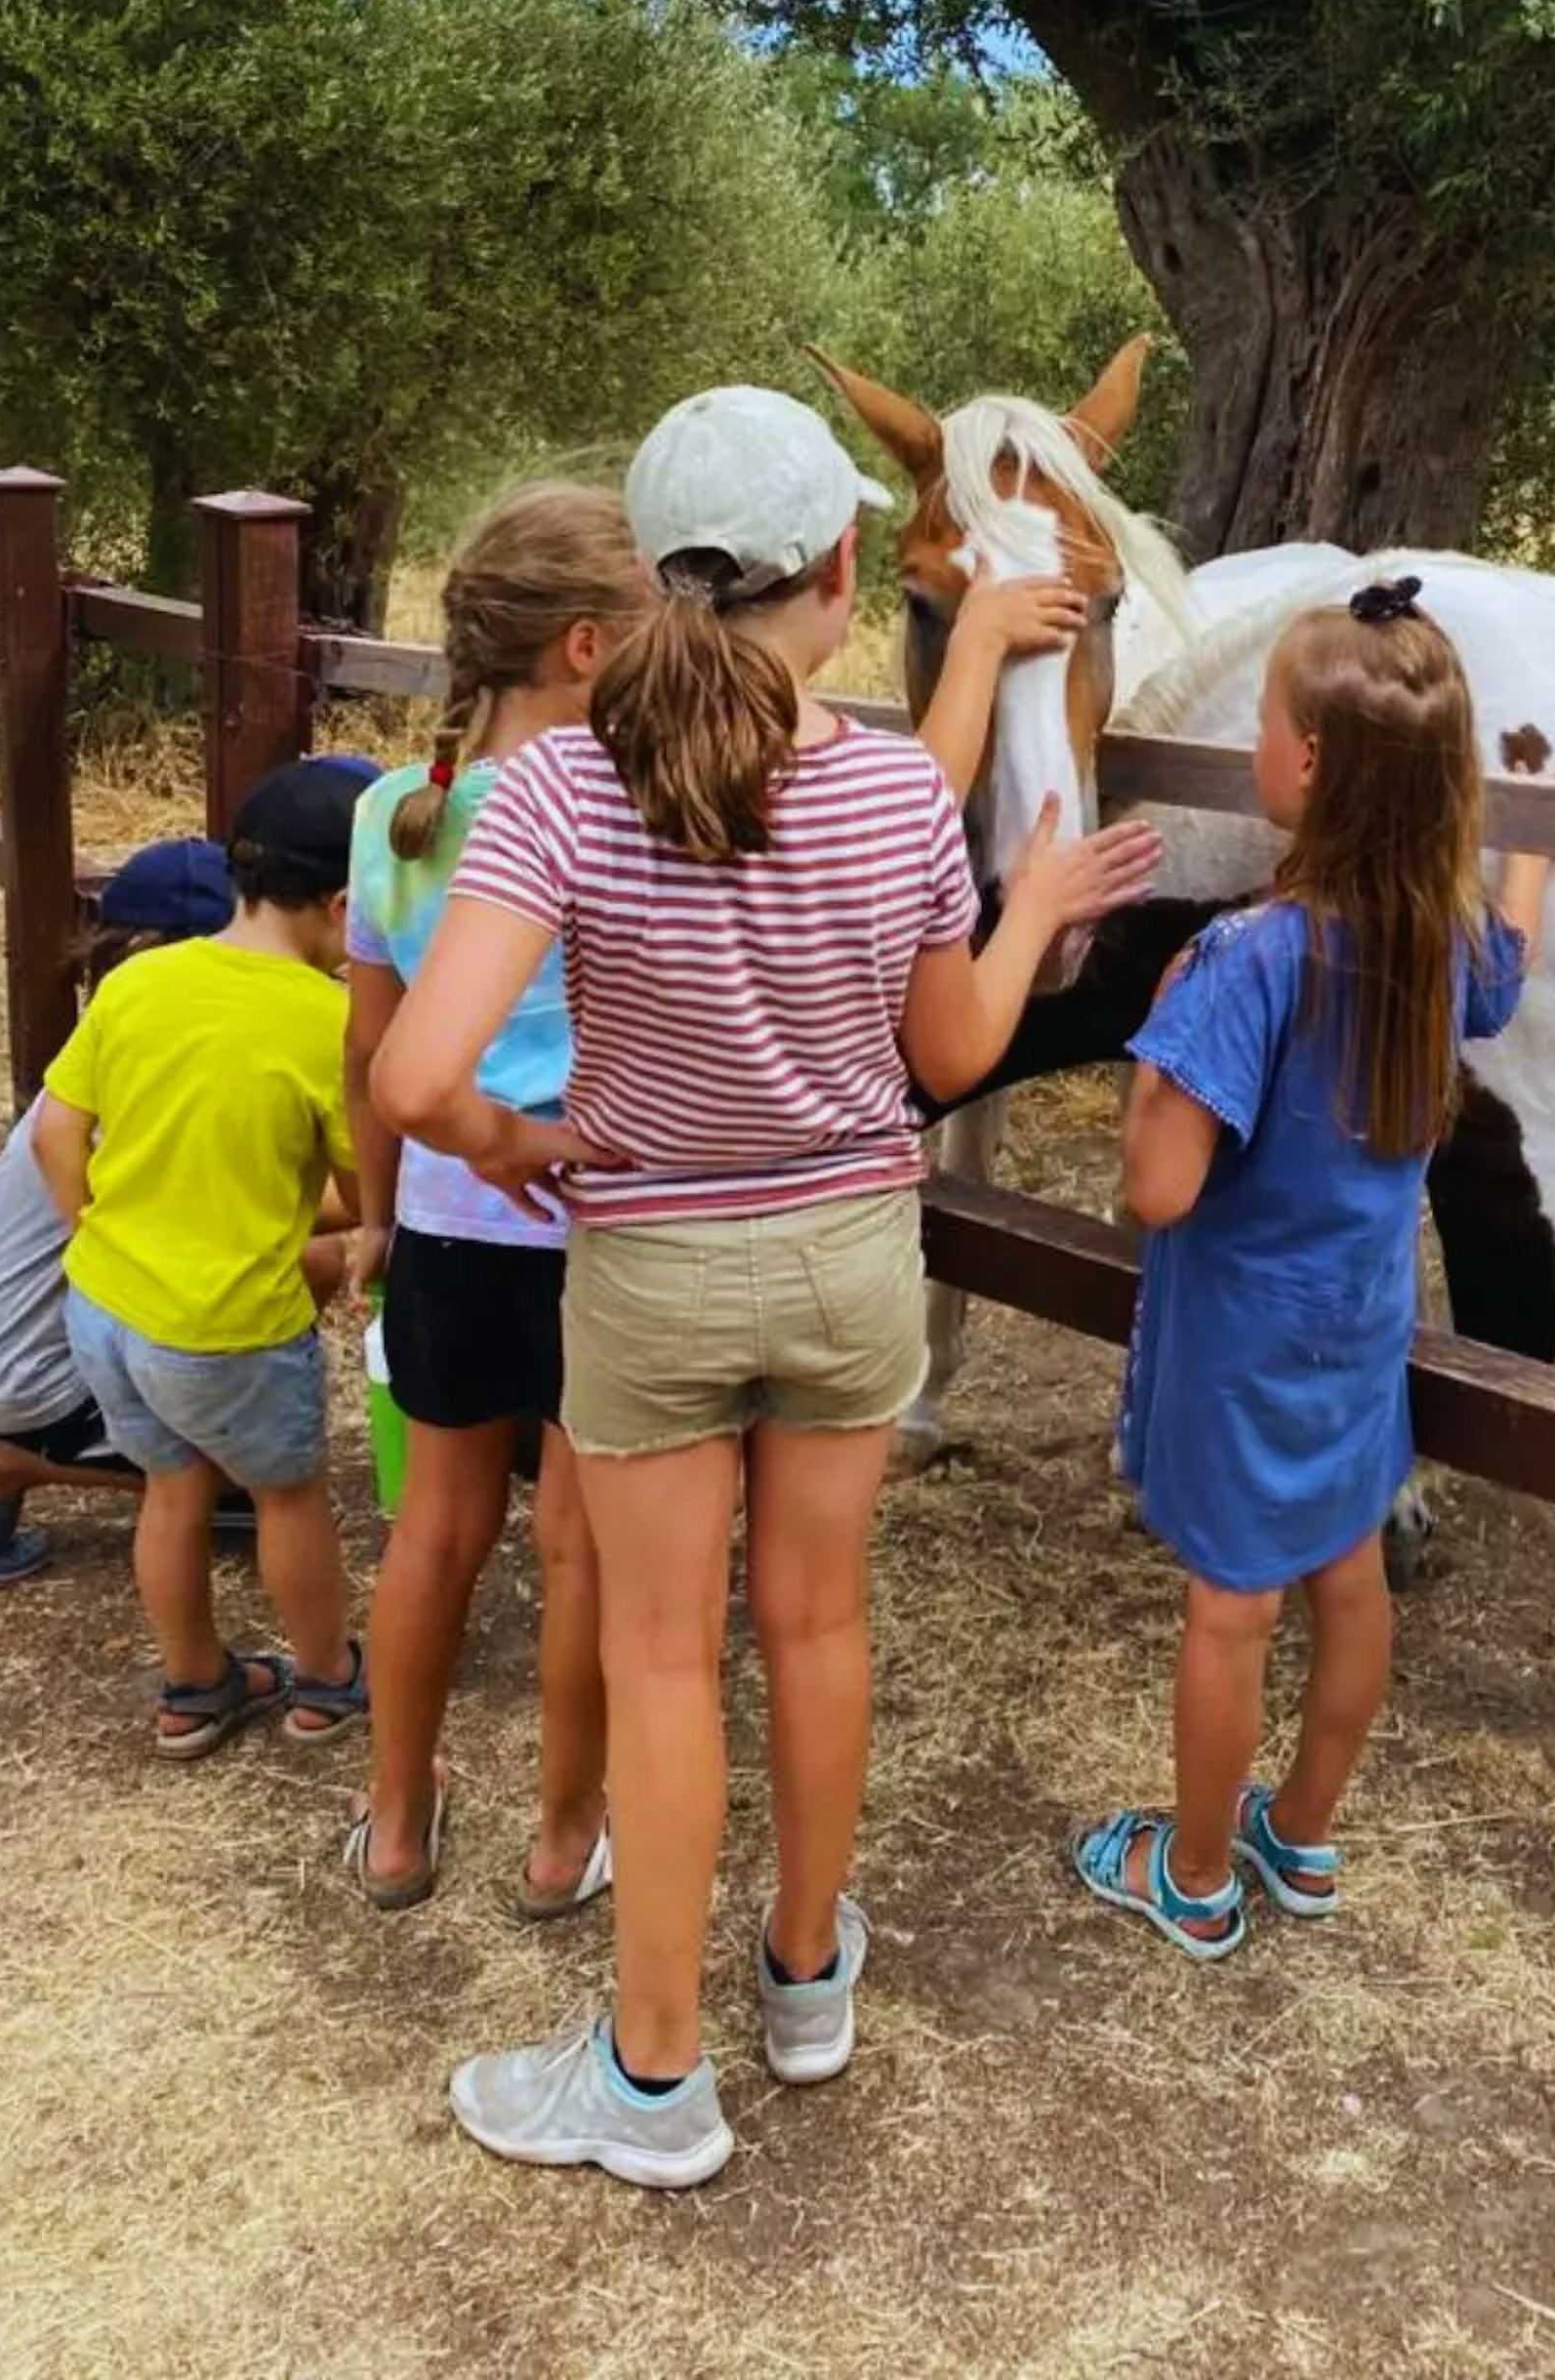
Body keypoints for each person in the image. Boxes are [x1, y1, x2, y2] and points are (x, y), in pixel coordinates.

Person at [373, 383, 1160, 2189]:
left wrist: (512, 1142)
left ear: (649, 585)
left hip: (647, 1266)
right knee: (818, 1625)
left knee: (663, 1659)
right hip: (849, 1267)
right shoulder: (893, 789)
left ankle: (655, 2081)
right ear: (844, 565)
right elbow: (951, 1051)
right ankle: (807, 1983)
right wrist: (1031, 910)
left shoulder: (563, 787)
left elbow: (414, 1082)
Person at [1073, 578, 1555, 1955]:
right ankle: (1299, 1835)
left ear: (1306, 762)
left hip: (1241, 1340)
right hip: (1360, 1328)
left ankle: (1191, 1876)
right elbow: (1511, 966)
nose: (1254, 744)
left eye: (1262, 723)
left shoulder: (1241, 961)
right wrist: (1529, 847)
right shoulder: (1434, 940)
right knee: (1349, 1579)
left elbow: (1159, 1185)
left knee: (1231, 1607)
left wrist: (1159, 1046)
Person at [341, 481, 644, 1914]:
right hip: (594, 1227)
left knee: (435, 1532)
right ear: (586, 646)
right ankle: (564, 1839)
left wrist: (382, 1211)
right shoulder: (628, 806)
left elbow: (371, 1051)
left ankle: (396, 1822)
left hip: (452, 1226)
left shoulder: (395, 813)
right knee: (579, 1545)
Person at [33, 758, 377, 1756]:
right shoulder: (329, 1019)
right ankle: (327, 1678)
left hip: (104, 1303)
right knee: (289, 1495)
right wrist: (361, 1240)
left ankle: (192, 1686)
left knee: (172, 1487)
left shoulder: (142, 977)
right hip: (226, 1328)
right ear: (345, 905)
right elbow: (367, 1193)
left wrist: (96, 1230)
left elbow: (60, 1134)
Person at [0, 839, 355, 1584]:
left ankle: (207, 1467)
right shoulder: (163, 1070)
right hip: (35, 1375)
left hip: (49, 1337)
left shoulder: (114, 1044)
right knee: (219, 1453)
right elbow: (242, 1204)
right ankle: (1, 1459)